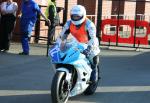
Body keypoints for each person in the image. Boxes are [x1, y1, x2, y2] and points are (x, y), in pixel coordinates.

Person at [57, 5, 100, 83]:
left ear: (83, 15)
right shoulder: (69, 23)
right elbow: (62, 35)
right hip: (76, 41)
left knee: (93, 57)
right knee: (63, 54)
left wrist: (89, 48)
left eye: (77, 16)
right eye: (74, 16)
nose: (75, 18)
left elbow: (93, 38)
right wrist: (59, 44)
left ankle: (94, 76)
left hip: (89, 43)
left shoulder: (89, 25)